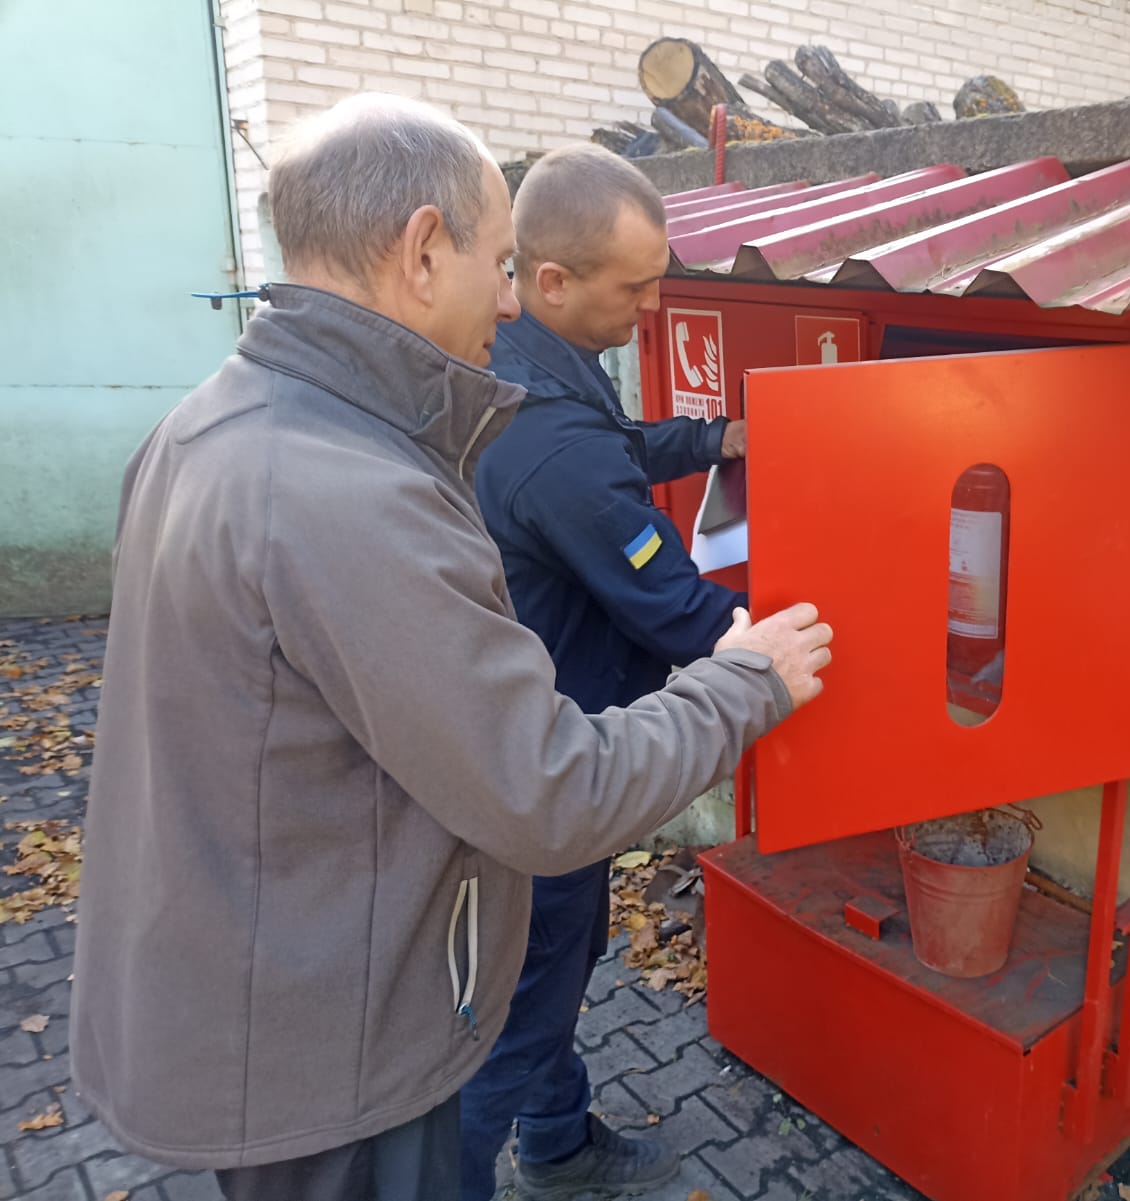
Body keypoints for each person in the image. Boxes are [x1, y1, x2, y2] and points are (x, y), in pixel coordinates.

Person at [68, 94, 832, 1201]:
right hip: (339, 1045)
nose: (511, 300)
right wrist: (746, 682)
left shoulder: (213, 425)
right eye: (501, 264)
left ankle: (559, 1138)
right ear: (424, 251)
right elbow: (550, 790)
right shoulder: (346, 495)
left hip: (260, 975)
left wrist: (715, 437)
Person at [460, 145, 743, 1201]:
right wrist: (795, 644)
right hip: (551, 757)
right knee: (532, 991)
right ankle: (477, 1164)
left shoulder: (520, 361)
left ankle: (556, 1139)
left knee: (537, 971)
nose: (652, 306)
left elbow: (613, 445)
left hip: (506, 736)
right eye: (635, 288)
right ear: (552, 280)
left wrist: (717, 438)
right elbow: (675, 608)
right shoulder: (548, 440)